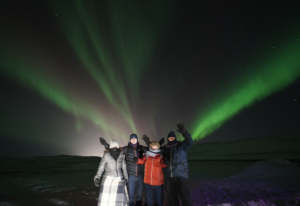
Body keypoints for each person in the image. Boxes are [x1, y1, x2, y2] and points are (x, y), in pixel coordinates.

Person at [99, 134, 147, 206]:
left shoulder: (141, 148)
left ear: (137, 140)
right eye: (132, 139)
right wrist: (106, 145)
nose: (133, 140)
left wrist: (148, 142)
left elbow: (151, 150)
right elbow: (115, 149)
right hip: (130, 176)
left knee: (139, 195)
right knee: (130, 196)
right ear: (130, 140)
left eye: (135, 139)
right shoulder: (126, 148)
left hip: (140, 175)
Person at [161, 123, 194, 206]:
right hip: (169, 176)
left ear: (175, 138)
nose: (171, 139)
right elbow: (154, 150)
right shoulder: (165, 148)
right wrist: (165, 163)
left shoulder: (181, 146)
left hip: (181, 175)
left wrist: (185, 133)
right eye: (170, 137)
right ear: (168, 138)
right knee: (172, 199)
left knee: (185, 198)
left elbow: (189, 142)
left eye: (173, 137)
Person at [94, 140, 128, 206]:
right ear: (111, 147)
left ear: (118, 147)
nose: (115, 147)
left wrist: (126, 177)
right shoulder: (106, 155)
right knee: (108, 201)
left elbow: (124, 167)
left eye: (116, 146)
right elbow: (101, 167)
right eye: (114, 146)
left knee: (119, 200)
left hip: (119, 180)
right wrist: (97, 177)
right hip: (108, 180)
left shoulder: (121, 156)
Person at [133, 141, 167, 206]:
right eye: (153, 146)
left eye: (155, 146)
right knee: (148, 200)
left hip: (158, 182)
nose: (154, 147)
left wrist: (166, 163)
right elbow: (142, 160)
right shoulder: (147, 155)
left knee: (158, 200)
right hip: (148, 182)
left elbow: (163, 163)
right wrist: (137, 160)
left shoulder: (160, 155)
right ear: (151, 147)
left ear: (158, 147)